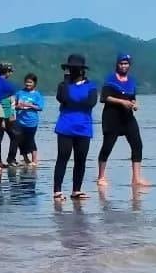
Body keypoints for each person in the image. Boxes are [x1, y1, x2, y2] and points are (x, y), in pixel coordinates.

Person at [97, 54, 150, 188]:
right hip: (111, 117)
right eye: (121, 63)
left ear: (129, 65)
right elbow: (104, 98)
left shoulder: (131, 81)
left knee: (137, 145)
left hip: (128, 117)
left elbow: (132, 98)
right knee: (107, 146)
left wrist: (134, 104)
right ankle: (101, 176)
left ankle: (136, 178)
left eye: (126, 63)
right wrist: (121, 102)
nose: (124, 66)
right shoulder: (110, 79)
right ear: (117, 64)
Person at [53, 53, 98, 202]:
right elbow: (62, 98)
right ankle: (57, 191)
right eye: (70, 69)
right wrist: (66, 82)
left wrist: (71, 103)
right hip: (65, 127)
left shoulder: (91, 86)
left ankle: (76, 190)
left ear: (82, 70)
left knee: (81, 160)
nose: (73, 71)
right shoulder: (63, 85)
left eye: (75, 69)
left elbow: (91, 103)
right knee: (62, 158)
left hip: (84, 128)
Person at [14, 73, 44, 166]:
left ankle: (34, 160)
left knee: (30, 140)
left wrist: (30, 105)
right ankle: (26, 159)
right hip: (19, 121)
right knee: (20, 141)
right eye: (26, 82)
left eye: (30, 82)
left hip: (31, 121)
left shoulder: (37, 94)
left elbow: (40, 107)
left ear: (34, 83)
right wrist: (18, 107)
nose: (28, 84)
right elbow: (14, 106)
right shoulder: (19, 93)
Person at [0, 64, 20, 167]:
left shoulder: (5, 84)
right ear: (7, 72)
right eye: (10, 71)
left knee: (15, 136)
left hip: (8, 114)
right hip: (1, 115)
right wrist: (2, 119)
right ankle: (1, 161)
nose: (11, 73)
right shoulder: (0, 84)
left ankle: (10, 159)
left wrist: (12, 113)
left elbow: (12, 100)